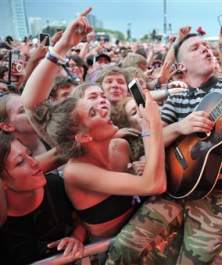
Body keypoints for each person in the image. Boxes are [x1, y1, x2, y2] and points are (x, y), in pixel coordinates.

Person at [106, 31, 222, 265]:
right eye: (195, 47)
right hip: (173, 190)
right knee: (123, 248)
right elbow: (151, 139)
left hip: (219, 198)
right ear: (181, 65)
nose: (205, 48)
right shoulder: (177, 99)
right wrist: (179, 127)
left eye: (206, 45)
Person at [22, 7, 167, 242]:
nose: (102, 105)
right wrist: (152, 126)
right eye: (92, 108)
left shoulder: (120, 145)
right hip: (109, 252)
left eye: (101, 99)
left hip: (141, 237)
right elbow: (154, 184)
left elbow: (150, 173)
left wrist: (140, 161)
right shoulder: (76, 170)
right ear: (82, 135)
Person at [0, 132, 85, 264]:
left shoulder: (54, 185)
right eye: (20, 162)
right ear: (1, 183)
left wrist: (76, 238)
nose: (34, 162)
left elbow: (83, 219)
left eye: (29, 154)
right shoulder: (4, 225)